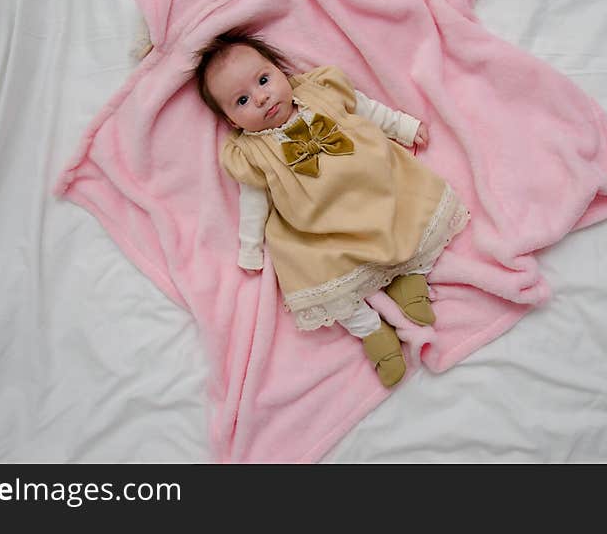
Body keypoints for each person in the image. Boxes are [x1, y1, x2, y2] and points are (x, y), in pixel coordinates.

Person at [193, 28, 469, 388]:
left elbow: (366, 109)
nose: (260, 98)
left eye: (263, 80)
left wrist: (402, 126)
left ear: (281, 71)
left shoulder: (319, 92)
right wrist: (249, 248)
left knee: (412, 210)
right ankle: (371, 332)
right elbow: (253, 202)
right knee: (319, 276)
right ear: (231, 121)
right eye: (241, 101)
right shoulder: (250, 153)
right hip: (316, 229)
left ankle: (411, 278)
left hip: (375, 188)